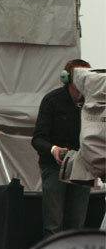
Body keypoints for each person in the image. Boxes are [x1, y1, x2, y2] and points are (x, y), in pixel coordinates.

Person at [32, 58, 92, 238]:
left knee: (77, 225)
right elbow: (38, 139)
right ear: (67, 78)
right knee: (53, 224)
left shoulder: (93, 103)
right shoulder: (52, 100)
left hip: (82, 166)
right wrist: (54, 149)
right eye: (79, 75)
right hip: (54, 167)